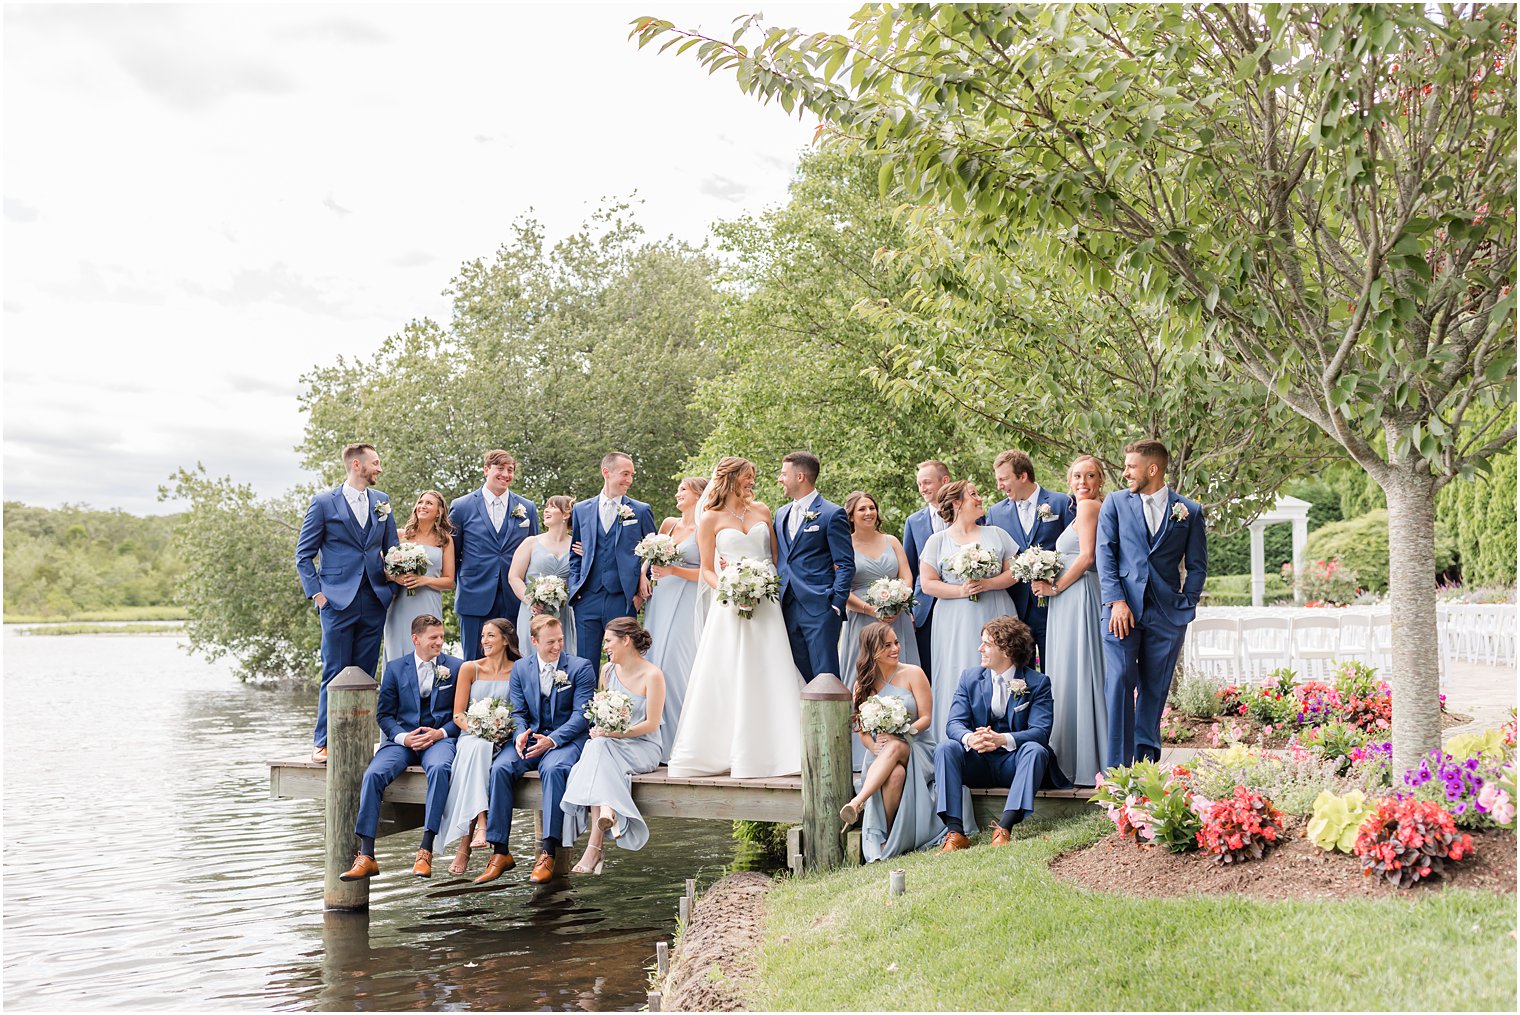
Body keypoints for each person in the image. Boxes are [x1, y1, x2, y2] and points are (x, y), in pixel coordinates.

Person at [666, 457, 806, 779]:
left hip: (765, 603)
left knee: (769, 668)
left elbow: (773, 557)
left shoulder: (762, 511)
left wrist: (761, 584)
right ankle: (726, 750)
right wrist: (730, 589)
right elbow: (707, 570)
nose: (751, 483)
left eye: (753, 477)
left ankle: (780, 750)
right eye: (747, 477)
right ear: (729, 479)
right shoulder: (710, 519)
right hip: (729, 604)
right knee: (728, 671)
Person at [1097, 439, 1207, 767]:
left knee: (1154, 690)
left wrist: (1186, 603)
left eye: (1131, 466)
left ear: (1153, 469)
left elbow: (1198, 565)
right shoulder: (1115, 504)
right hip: (1121, 612)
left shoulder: (1189, 510)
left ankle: (1145, 768)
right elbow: (1105, 554)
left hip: (1167, 615)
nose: (1125, 472)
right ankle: (1117, 772)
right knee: (1118, 685)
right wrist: (1116, 600)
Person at [338, 615, 465, 881]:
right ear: (416, 639)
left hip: (438, 740)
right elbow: (384, 715)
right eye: (433, 638)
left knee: (441, 768)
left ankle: (425, 850)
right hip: (403, 741)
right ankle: (367, 855)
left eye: (441, 637)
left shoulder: (456, 667)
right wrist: (404, 738)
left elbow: (462, 715)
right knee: (373, 775)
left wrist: (440, 733)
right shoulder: (395, 669)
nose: (439, 642)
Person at [474, 615, 597, 886]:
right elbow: (519, 712)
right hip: (531, 738)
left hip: (566, 740)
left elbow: (582, 715)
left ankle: (548, 851)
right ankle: (500, 852)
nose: (557, 647)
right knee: (501, 767)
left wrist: (552, 740)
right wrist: (520, 735)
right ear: (534, 641)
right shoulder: (521, 669)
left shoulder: (580, 667)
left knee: (553, 770)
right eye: (550, 642)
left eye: (560, 640)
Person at [295, 442, 398, 763]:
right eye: (376, 463)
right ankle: (323, 741)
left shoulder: (382, 502)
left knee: (365, 675)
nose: (380, 468)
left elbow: (392, 547)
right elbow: (303, 555)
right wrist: (319, 595)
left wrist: (395, 582)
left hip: (375, 598)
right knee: (336, 672)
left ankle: (358, 740)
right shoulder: (324, 503)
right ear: (357, 465)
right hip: (337, 601)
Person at [934, 616, 1069, 852]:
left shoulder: (1037, 683)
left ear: (1006, 650)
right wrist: (971, 739)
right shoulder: (970, 678)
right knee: (946, 747)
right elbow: (954, 723)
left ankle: (1004, 827)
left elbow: (1041, 731)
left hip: (1013, 763)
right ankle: (955, 832)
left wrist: (1002, 739)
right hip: (978, 762)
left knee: (1036, 750)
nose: (980, 648)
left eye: (986, 644)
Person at [561, 618, 667, 873]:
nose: (605, 646)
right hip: (611, 745)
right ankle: (603, 824)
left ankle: (594, 850)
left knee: (597, 750)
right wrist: (602, 729)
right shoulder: (607, 671)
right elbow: (603, 712)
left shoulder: (652, 675)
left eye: (609, 641)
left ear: (626, 640)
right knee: (596, 746)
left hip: (643, 746)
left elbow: (652, 724)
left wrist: (618, 734)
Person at [918, 480, 1020, 742]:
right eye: (973, 494)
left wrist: (986, 584)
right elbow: (928, 584)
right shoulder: (937, 541)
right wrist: (961, 591)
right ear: (956, 503)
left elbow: (1014, 574)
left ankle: (1005, 737)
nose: (980, 498)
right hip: (954, 619)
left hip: (996, 609)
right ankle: (959, 739)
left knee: (1002, 668)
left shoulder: (996, 534)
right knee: (959, 667)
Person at [1031, 455, 1109, 786]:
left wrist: (1055, 586)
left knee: (1079, 668)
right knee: (1071, 669)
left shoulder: (1091, 507)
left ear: (1100, 480)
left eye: (1090, 475)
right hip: (1069, 599)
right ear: (1069, 480)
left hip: (1078, 596)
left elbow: (1087, 556)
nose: (1083, 481)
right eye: (1077, 475)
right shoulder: (1080, 510)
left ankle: (1083, 760)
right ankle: (1079, 756)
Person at [838, 622, 942, 861]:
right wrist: (872, 746)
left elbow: (926, 718)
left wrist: (903, 731)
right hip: (880, 753)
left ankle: (857, 801)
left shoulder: (913, 673)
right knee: (895, 775)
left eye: (896, 642)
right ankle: (892, 836)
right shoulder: (862, 684)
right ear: (872, 650)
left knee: (895, 745)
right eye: (887, 645)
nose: (895, 648)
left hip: (917, 746)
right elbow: (862, 731)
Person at [838, 489, 918, 770]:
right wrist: (871, 610)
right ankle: (864, 753)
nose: (869, 513)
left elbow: (906, 574)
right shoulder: (843, 545)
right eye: (862, 509)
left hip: (897, 621)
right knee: (865, 680)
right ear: (851, 515)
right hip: (863, 622)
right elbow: (841, 589)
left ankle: (905, 746)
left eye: (871, 507)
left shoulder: (891, 541)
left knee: (902, 677)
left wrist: (900, 598)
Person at [436, 617, 522, 875]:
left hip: (504, 737)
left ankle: (465, 848)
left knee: (481, 753)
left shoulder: (519, 670)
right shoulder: (469, 668)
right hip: (473, 735)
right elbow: (458, 714)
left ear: (505, 640)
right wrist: (481, 729)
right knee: (478, 749)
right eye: (483, 636)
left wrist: (501, 730)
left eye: (490, 636)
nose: (484, 640)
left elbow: (521, 711)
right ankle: (481, 823)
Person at [984, 449, 1074, 669]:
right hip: (1014, 607)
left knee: (1057, 666)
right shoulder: (996, 513)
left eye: (1003, 479)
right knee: (1017, 670)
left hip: (1055, 602)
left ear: (1022, 476)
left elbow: (1075, 549)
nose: (999, 486)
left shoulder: (1061, 503)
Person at [568, 451, 656, 663]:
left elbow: (655, 554)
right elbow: (575, 555)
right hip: (587, 598)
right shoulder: (581, 509)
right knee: (585, 663)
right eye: (625, 474)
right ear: (606, 472)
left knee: (621, 662)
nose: (629, 480)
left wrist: (639, 596)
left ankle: (618, 698)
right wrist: (575, 589)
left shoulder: (641, 510)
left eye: (632, 475)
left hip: (623, 599)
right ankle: (586, 698)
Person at [450, 450, 540, 661]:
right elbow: (452, 553)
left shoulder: (527, 507)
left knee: (515, 659)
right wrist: (465, 581)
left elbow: (534, 552)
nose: (506, 474)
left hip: (515, 597)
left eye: (510, 470)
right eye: (500, 468)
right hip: (474, 595)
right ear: (486, 470)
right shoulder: (462, 506)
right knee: (473, 659)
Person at [642, 476, 706, 763]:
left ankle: (680, 744)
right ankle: (652, 740)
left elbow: (707, 572)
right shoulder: (669, 524)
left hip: (687, 598)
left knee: (678, 665)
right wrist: (642, 579)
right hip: (660, 599)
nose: (678, 493)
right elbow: (648, 560)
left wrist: (674, 572)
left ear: (699, 495)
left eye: (683, 489)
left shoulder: (705, 528)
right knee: (654, 659)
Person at [775, 451, 854, 680]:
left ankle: (830, 718)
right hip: (785, 607)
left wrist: (836, 605)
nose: (780, 479)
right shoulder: (781, 514)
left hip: (821, 608)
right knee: (796, 677)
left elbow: (846, 563)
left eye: (783, 474)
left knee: (825, 678)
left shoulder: (832, 513)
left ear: (800, 477)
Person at [382, 490, 456, 662]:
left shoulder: (444, 540)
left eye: (429, 503)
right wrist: (395, 578)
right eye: (420, 502)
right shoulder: (400, 535)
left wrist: (424, 580)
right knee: (397, 651)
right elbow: (381, 570)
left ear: (439, 512)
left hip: (428, 602)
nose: (422, 506)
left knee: (426, 649)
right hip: (400, 602)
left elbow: (449, 581)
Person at [507, 494, 577, 661]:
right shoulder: (531, 542)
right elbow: (514, 577)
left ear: (566, 514)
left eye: (552, 507)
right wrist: (530, 601)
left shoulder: (578, 545)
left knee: (563, 658)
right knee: (531, 659)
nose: (546, 510)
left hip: (563, 613)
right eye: (546, 506)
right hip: (533, 612)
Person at [902, 460, 952, 678]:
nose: (923, 488)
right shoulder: (914, 522)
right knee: (928, 668)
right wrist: (909, 609)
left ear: (945, 481)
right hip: (925, 606)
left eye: (927, 482)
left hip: (961, 599)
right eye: (919, 484)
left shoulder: (971, 514)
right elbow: (909, 570)